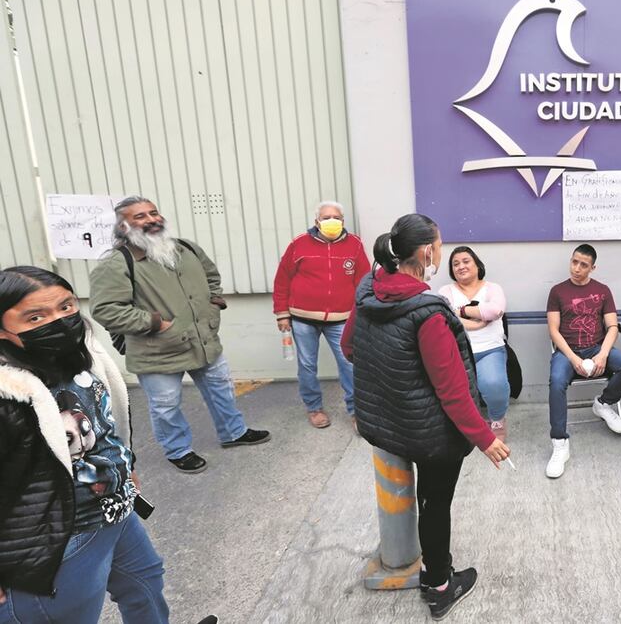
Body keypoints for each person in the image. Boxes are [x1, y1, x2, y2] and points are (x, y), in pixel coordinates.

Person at [350, 213, 510, 621]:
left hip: (389, 421)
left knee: (424, 500)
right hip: (430, 432)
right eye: (439, 245)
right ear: (427, 252)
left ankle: (428, 566)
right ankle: (438, 584)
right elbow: (453, 394)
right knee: (435, 504)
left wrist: (396, 382)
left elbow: (352, 346)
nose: (442, 251)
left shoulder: (369, 291)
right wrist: (485, 439)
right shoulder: (429, 312)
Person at [0, 266, 168, 623]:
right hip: (59, 536)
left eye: (66, 306)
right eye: (35, 316)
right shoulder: (7, 394)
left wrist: (125, 467)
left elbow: (105, 424)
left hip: (115, 511)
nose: (60, 321)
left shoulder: (82, 358)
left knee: (146, 584)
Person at [89, 196, 270, 474]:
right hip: (157, 349)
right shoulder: (116, 263)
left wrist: (213, 305)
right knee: (165, 406)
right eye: (139, 216)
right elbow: (106, 310)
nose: (151, 219)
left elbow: (211, 275)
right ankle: (178, 450)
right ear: (123, 227)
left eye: (153, 212)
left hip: (203, 341)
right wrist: (155, 323)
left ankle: (234, 432)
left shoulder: (185, 248)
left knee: (221, 391)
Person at [273, 200, 370, 429]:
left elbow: (364, 281)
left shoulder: (354, 245)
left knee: (349, 365)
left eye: (336, 217)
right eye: (326, 217)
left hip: (341, 319)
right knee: (307, 365)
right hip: (302, 318)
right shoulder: (299, 244)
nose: (331, 221)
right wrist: (282, 314)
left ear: (343, 221)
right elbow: (282, 279)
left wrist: (364, 313)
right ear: (317, 221)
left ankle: (357, 412)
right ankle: (314, 408)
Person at [545, 244, 621, 479]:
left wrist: (603, 354)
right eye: (574, 262)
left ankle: (604, 404)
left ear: (592, 267)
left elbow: (613, 327)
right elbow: (554, 331)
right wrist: (574, 358)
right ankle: (559, 443)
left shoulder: (603, 291)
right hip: (568, 352)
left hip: (597, 347)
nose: (576, 268)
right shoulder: (557, 291)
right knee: (556, 381)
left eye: (583, 264)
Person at [438, 246, 510, 442]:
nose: (461, 266)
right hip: (457, 350)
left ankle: (497, 421)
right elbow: (444, 317)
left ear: (477, 265)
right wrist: (477, 323)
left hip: (490, 348)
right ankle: (465, 425)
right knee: (455, 391)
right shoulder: (446, 291)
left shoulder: (493, 288)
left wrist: (460, 311)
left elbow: (495, 311)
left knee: (493, 384)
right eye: (455, 264)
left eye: (466, 261)